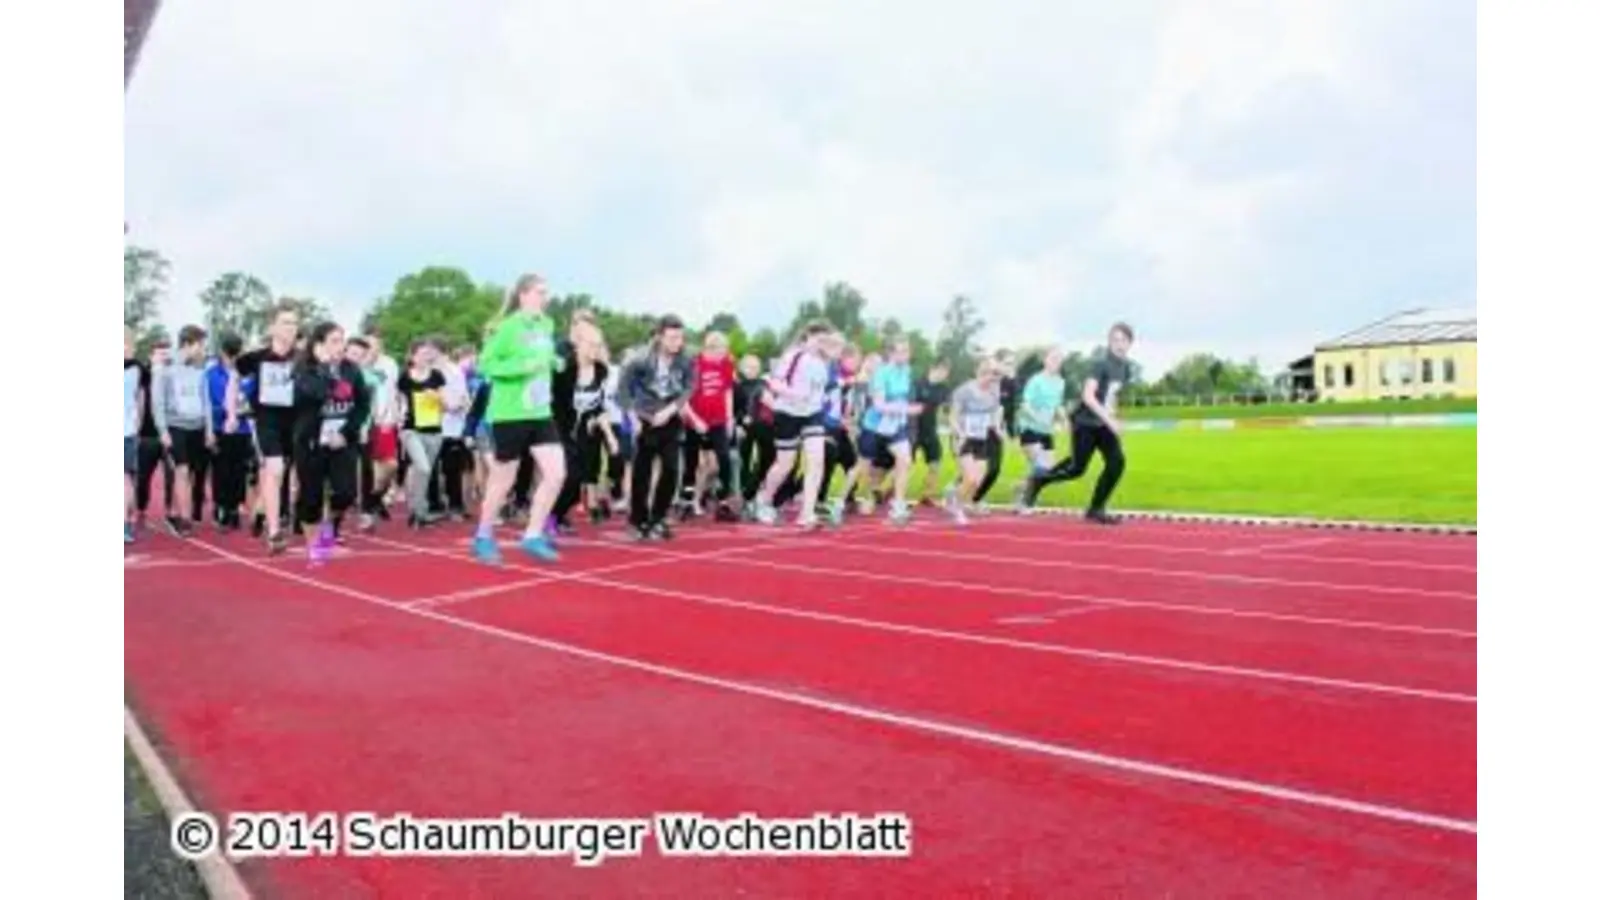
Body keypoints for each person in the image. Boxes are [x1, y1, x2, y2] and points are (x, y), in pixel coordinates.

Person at [470, 273, 566, 565]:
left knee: (556, 473)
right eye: (539, 292)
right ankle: (484, 536)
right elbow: (485, 365)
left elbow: (543, 356)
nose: (544, 298)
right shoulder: (507, 327)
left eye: (546, 293)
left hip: (539, 412)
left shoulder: (546, 325)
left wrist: (553, 362)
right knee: (503, 480)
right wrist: (522, 366)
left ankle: (533, 535)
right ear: (523, 295)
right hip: (509, 414)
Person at [1021, 323, 1135, 523]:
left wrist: (1114, 417)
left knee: (1117, 462)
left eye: (1123, 340)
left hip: (1102, 423)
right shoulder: (1100, 364)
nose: (1119, 344)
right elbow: (1088, 396)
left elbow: (1112, 396)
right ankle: (1038, 480)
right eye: (1115, 340)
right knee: (1077, 469)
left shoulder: (1126, 368)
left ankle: (1096, 509)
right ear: (1109, 342)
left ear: (1130, 343)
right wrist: (1110, 420)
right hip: (1085, 422)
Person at [292, 322, 369, 563]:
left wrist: (346, 433)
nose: (340, 346)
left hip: (342, 441)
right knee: (311, 497)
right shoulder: (304, 368)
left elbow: (362, 405)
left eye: (342, 340)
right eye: (334, 340)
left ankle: (330, 527)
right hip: (311, 441)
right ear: (319, 344)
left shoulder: (352, 370)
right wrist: (325, 367)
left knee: (346, 492)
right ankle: (314, 546)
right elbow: (316, 393)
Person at [751, 321, 835, 530]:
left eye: (826, 341)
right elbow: (774, 382)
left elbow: (822, 389)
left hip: (812, 414)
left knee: (817, 460)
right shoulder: (793, 356)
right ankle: (764, 498)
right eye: (819, 340)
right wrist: (793, 394)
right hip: (788, 413)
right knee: (785, 464)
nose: (821, 345)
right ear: (808, 337)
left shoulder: (824, 362)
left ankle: (807, 513)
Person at [619, 315, 696, 540]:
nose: (677, 342)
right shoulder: (640, 359)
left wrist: (671, 410)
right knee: (641, 470)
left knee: (672, 468)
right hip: (645, 418)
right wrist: (633, 417)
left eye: (680, 337)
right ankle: (637, 519)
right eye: (672, 338)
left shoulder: (686, 360)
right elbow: (622, 390)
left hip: (670, 417)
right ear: (660, 337)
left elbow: (690, 387)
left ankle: (658, 517)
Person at [233, 302, 301, 554]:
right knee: (275, 468)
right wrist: (233, 409)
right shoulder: (255, 358)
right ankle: (274, 532)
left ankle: (261, 511)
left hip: (296, 423)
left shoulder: (303, 358)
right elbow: (234, 376)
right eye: (285, 322)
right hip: (267, 421)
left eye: (294, 323)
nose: (291, 328)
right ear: (272, 327)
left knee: (286, 475)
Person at [152, 325, 214, 537]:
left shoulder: (200, 370)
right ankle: (184, 518)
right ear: (187, 344)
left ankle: (178, 512)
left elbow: (205, 400)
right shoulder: (166, 368)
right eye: (200, 345)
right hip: (176, 426)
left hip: (197, 426)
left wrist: (209, 430)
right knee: (182, 470)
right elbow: (157, 401)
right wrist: (162, 430)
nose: (203, 350)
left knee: (192, 474)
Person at [855, 335, 922, 525]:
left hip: (894, 426)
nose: (905, 355)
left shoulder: (907, 371)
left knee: (905, 459)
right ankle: (857, 498)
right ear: (891, 353)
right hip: (874, 426)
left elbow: (902, 399)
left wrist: (904, 410)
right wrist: (907, 409)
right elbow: (879, 405)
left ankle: (898, 505)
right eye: (901, 351)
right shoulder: (881, 373)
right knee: (865, 468)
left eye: (907, 351)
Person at [684, 330, 737, 521]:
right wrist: (694, 419)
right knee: (694, 463)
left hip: (718, 420)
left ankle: (723, 500)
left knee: (723, 459)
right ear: (710, 348)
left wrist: (730, 418)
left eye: (725, 351)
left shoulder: (726, 364)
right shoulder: (694, 365)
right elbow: (684, 397)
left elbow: (727, 392)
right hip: (695, 420)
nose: (723, 356)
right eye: (720, 351)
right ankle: (689, 501)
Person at [946, 358, 1005, 525]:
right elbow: (952, 417)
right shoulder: (963, 391)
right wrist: (960, 434)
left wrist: (997, 429)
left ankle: (955, 496)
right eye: (990, 375)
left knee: (977, 481)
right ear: (980, 373)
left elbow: (993, 413)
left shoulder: (994, 391)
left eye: (995, 375)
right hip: (964, 438)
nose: (993, 379)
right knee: (970, 478)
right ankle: (958, 509)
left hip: (981, 438)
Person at [396, 339, 448, 528]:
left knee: (426, 473)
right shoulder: (404, 378)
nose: (426, 357)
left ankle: (418, 512)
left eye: (429, 354)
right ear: (413, 356)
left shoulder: (437, 376)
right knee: (423, 467)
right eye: (422, 353)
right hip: (411, 430)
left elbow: (447, 406)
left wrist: (438, 398)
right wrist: (397, 417)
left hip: (434, 430)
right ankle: (419, 509)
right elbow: (398, 402)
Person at [208, 333, 255, 533]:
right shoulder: (212, 374)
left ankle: (235, 507)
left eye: (237, 354)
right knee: (221, 470)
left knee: (239, 471)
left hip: (242, 429)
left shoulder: (249, 374)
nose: (233, 359)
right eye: (230, 355)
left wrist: (242, 412)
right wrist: (226, 413)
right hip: (221, 428)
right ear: (222, 353)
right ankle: (221, 507)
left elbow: (253, 399)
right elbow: (209, 402)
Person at [1014, 347, 1067, 510]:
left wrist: (1064, 419)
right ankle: (1024, 501)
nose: (1056, 363)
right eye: (1053, 359)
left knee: (1047, 470)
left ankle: (1020, 488)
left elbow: (1057, 405)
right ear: (1045, 360)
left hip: (1046, 431)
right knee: (1038, 464)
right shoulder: (1035, 380)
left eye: (1059, 360)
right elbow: (1025, 405)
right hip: (1029, 428)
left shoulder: (1060, 382)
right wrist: (1037, 418)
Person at [911, 360, 951, 505]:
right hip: (913, 429)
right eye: (942, 370)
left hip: (930, 430)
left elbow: (946, 408)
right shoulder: (917, 384)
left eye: (946, 372)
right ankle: (888, 490)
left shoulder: (943, 389)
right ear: (932, 368)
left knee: (935, 462)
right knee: (905, 463)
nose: (944, 374)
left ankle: (928, 494)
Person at [124, 326, 146, 543]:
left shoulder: (136, 369)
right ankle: (125, 525)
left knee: (125, 479)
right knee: (125, 478)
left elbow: (140, 401)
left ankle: (125, 524)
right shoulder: (138, 369)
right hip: (128, 429)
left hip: (127, 430)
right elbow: (140, 400)